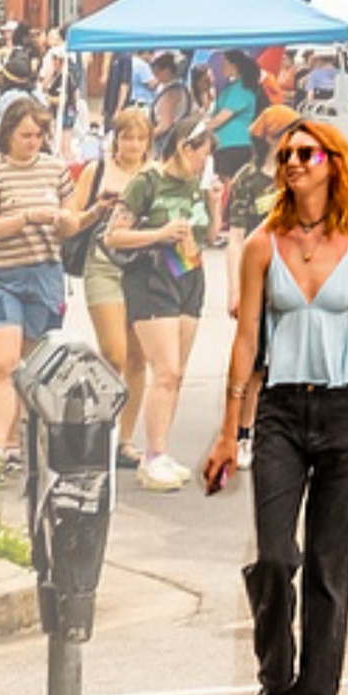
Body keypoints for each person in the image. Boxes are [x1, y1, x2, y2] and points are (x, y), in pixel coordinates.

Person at [202, 118, 348, 695]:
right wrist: (226, 430)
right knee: (274, 556)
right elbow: (245, 342)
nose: (293, 163)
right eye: (285, 155)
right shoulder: (264, 246)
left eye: (305, 153)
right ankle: (274, 678)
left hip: (347, 411)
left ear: (332, 163)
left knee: (329, 567)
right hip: (281, 415)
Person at [0, 97, 75, 484]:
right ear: (7, 133)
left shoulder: (56, 170)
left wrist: (64, 220)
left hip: (44, 273)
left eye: (39, 135)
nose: (33, 142)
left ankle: (17, 440)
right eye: (26, 135)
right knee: (2, 362)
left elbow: (71, 223)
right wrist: (27, 216)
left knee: (30, 366)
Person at [104, 117, 217, 490]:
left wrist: (215, 206)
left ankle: (162, 450)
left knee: (177, 374)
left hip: (190, 275)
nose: (204, 162)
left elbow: (210, 235)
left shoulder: (197, 186)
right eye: (202, 154)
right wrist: (159, 234)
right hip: (152, 276)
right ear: (184, 148)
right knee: (164, 369)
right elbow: (114, 235)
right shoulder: (147, 182)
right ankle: (151, 456)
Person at [71, 107, 156, 470]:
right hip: (103, 265)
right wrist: (96, 210)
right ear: (115, 139)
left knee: (139, 357)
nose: (133, 145)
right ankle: (99, 428)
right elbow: (72, 218)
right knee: (114, 352)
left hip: (143, 270)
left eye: (140, 138)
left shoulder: (154, 176)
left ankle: (125, 439)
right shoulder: (98, 171)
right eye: (127, 137)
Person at [216, 103, 291, 469]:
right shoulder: (248, 179)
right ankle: (242, 434)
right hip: (259, 280)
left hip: (301, 279)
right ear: (267, 139)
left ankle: (280, 433)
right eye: (284, 134)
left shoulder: (308, 172)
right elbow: (235, 236)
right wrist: (234, 288)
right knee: (254, 363)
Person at [204, 52, 265, 182]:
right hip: (225, 144)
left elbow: (222, 117)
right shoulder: (233, 87)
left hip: (233, 144)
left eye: (224, 64)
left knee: (228, 184)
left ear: (234, 66)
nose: (221, 67)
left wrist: (202, 129)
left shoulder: (241, 88)